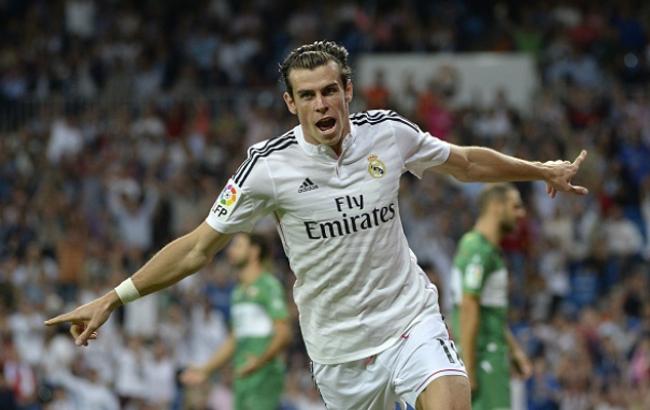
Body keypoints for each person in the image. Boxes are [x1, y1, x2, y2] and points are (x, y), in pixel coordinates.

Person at [45, 40, 588, 410]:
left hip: (410, 322)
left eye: (330, 90)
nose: (321, 103)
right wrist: (114, 297)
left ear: (348, 90)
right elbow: (196, 249)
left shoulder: (388, 134)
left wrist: (539, 169)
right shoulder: (267, 168)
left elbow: (464, 162)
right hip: (338, 354)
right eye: (307, 95)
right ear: (291, 103)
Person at [180, 233, 291, 410]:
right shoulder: (238, 292)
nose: (230, 251)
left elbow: (284, 333)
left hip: (264, 374)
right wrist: (205, 369)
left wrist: (259, 362)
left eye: (238, 246)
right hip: (242, 373)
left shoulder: (268, 285)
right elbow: (234, 339)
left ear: (254, 251)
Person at [450, 183, 533, 410]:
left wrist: (514, 351)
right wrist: (469, 367)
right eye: (515, 206)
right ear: (497, 206)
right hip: (483, 357)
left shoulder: (486, 249)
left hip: (490, 354)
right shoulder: (478, 249)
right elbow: (468, 306)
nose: (521, 213)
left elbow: (488, 311)